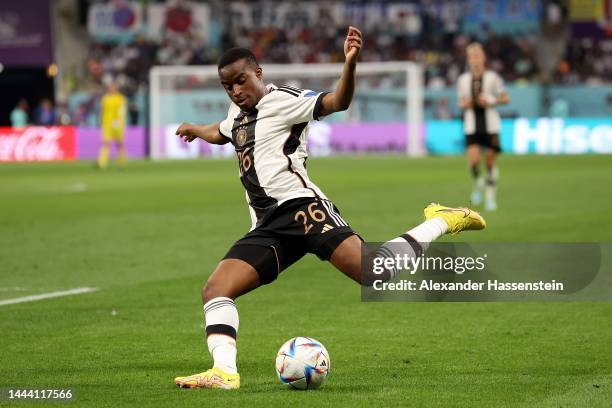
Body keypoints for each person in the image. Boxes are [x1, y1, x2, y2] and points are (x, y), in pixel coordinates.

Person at [173, 26, 486, 390]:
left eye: (241, 81)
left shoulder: (286, 100)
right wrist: (197, 129)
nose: (236, 91)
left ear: (258, 73)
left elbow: (338, 101)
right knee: (216, 289)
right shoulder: (238, 111)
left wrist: (349, 64)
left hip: (303, 210)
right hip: (267, 226)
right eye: (228, 86)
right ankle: (224, 372)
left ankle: (442, 220)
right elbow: (224, 130)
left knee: (375, 272)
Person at [457, 43, 510, 211]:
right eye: (472, 57)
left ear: (483, 58)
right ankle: (478, 181)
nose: (475, 60)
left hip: (491, 125)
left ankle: (490, 196)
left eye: (477, 56)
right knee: (473, 160)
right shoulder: (463, 80)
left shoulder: (493, 78)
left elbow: (505, 98)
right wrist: (465, 104)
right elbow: (461, 101)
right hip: (472, 124)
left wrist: (491, 100)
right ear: (468, 59)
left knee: (490, 162)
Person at [97, 83, 127, 169]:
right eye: (110, 88)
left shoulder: (120, 98)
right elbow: (102, 110)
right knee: (106, 143)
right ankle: (102, 162)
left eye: (113, 88)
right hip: (107, 124)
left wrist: (119, 121)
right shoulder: (105, 98)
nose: (112, 89)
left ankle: (121, 162)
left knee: (120, 144)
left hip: (118, 124)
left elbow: (122, 110)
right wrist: (101, 121)